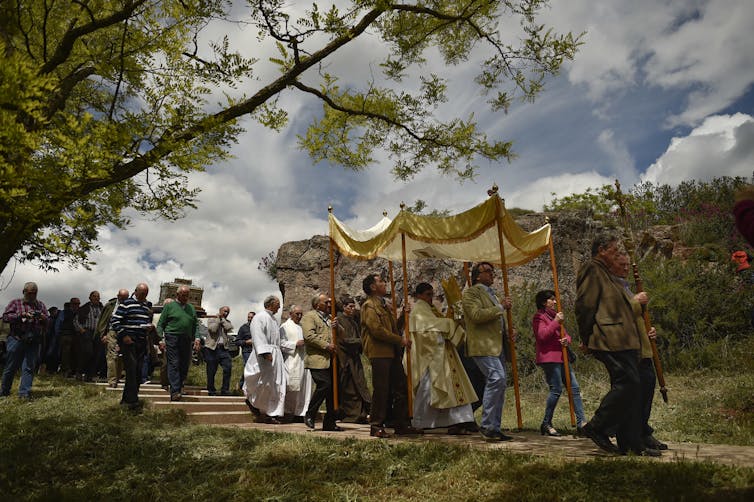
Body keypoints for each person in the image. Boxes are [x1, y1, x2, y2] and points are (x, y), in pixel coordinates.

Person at [575, 235, 659, 457]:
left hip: (622, 340)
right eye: (614, 250)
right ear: (602, 250)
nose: (616, 255)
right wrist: (585, 337)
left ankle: (631, 443)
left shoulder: (607, 273)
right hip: (608, 338)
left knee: (633, 388)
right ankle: (597, 426)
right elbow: (585, 305)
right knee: (628, 383)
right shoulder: (591, 269)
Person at [612, 253, 668, 451]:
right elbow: (614, 314)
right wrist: (636, 301)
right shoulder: (612, 287)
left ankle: (643, 433)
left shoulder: (626, 286)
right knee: (632, 399)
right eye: (622, 264)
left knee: (645, 394)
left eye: (628, 264)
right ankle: (631, 439)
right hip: (628, 351)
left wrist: (648, 331)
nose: (626, 268)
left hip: (643, 349)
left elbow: (635, 319)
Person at [409, 283, 477, 433]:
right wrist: (449, 325)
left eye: (431, 294)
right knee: (428, 389)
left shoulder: (431, 309)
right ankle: (422, 421)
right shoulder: (418, 311)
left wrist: (452, 317)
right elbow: (428, 331)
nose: (430, 298)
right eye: (427, 294)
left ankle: (457, 421)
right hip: (429, 356)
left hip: (442, 354)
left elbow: (438, 324)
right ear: (419, 295)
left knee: (453, 388)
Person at [361, 273, 421, 438]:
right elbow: (377, 330)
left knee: (400, 387)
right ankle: (376, 425)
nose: (384, 283)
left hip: (391, 352)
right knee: (381, 389)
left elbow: (393, 327)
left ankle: (401, 423)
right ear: (373, 287)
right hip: (379, 353)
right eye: (380, 281)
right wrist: (399, 340)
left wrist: (403, 316)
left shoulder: (384, 306)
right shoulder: (369, 306)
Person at [461, 262, 514, 442]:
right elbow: (476, 316)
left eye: (492, 271)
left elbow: (495, 321)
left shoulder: (492, 295)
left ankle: (494, 427)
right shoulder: (471, 293)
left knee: (500, 383)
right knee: (496, 378)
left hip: (496, 345)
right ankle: (487, 425)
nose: (492, 274)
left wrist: (506, 333)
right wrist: (500, 308)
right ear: (477, 276)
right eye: (488, 271)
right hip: (482, 345)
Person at [532, 289, 587, 436]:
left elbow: (567, 335)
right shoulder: (539, 317)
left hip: (563, 357)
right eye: (552, 299)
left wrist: (566, 340)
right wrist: (556, 322)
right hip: (549, 358)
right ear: (544, 302)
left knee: (574, 389)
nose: (555, 302)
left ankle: (582, 423)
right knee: (556, 390)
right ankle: (546, 423)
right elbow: (542, 336)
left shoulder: (556, 317)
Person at [302, 293, 343, 431]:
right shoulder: (310, 317)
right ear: (317, 304)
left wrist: (337, 328)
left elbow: (342, 335)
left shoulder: (330, 318)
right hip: (317, 359)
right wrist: (326, 345)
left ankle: (330, 423)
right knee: (325, 385)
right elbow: (309, 336)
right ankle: (310, 413)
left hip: (332, 360)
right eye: (326, 302)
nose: (329, 305)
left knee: (333, 391)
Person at [1, 282, 48, 399]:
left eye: (35, 293)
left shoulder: (40, 305)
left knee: (29, 367)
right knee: (10, 366)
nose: (33, 295)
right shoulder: (15, 303)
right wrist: (21, 315)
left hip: (34, 340)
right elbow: (6, 317)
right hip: (17, 338)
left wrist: (42, 317)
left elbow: (48, 319)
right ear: (24, 292)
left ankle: (24, 393)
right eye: (30, 293)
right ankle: (4, 391)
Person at [111, 283, 154, 410]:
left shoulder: (146, 306)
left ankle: (128, 398)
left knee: (138, 371)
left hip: (141, 341)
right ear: (135, 292)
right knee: (131, 369)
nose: (143, 296)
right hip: (128, 340)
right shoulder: (126, 303)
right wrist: (124, 335)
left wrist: (149, 327)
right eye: (141, 294)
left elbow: (146, 321)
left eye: (145, 294)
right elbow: (115, 320)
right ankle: (131, 400)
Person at [244, 295, 286, 423]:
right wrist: (264, 352)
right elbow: (258, 335)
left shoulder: (273, 319)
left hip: (276, 354)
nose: (279, 306)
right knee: (264, 383)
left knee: (277, 384)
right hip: (265, 355)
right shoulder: (260, 317)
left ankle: (272, 412)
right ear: (271, 304)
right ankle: (254, 402)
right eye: (277, 303)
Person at [156, 286, 198, 401]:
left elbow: (195, 325)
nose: (186, 297)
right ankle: (175, 391)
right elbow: (161, 324)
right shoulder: (169, 306)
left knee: (184, 364)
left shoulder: (191, 308)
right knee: (174, 363)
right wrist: (160, 339)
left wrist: (197, 338)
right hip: (172, 337)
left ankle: (179, 387)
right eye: (183, 295)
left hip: (186, 339)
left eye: (187, 295)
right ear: (177, 295)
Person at [335, 296, 370, 423]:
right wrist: (362, 341)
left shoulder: (353, 321)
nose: (353, 309)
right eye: (350, 306)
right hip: (345, 359)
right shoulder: (339, 320)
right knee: (349, 388)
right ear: (344, 307)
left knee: (360, 386)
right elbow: (344, 340)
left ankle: (361, 414)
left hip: (354, 358)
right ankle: (351, 415)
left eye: (354, 306)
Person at [279, 305, 312, 421]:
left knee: (303, 388)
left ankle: (300, 412)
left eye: (301, 314)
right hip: (291, 360)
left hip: (303, 360)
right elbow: (280, 343)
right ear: (290, 314)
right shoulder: (284, 327)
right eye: (297, 314)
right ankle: (288, 411)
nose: (299, 316)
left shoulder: (302, 327)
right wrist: (294, 344)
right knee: (291, 386)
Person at [94, 289, 129, 388]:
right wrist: (103, 334)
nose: (123, 300)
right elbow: (103, 320)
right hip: (111, 331)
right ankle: (112, 380)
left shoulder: (129, 305)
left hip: (124, 332)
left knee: (121, 356)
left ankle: (117, 378)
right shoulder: (110, 305)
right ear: (118, 296)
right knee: (112, 355)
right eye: (122, 298)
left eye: (125, 298)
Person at [204, 306, 234, 396]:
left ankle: (225, 390)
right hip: (211, 348)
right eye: (225, 311)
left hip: (223, 349)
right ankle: (211, 389)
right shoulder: (212, 319)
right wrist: (218, 319)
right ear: (220, 311)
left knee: (228, 367)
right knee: (211, 370)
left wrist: (222, 319)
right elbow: (213, 329)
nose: (226, 313)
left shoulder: (226, 321)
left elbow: (229, 328)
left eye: (228, 312)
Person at [76, 291, 104, 381]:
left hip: (98, 333)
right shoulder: (84, 308)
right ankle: (79, 371)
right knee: (88, 352)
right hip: (87, 331)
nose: (96, 298)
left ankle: (90, 375)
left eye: (98, 296)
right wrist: (81, 330)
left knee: (96, 354)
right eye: (94, 296)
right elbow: (75, 321)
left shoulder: (102, 308)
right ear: (90, 298)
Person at [58, 298, 81, 378]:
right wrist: (59, 334)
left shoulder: (80, 313)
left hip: (76, 335)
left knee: (75, 354)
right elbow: (59, 323)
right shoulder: (64, 312)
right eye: (75, 304)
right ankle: (65, 370)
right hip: (66, 334)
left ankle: (72, 371)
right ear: (71, 304)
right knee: (65, 354)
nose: (77, 305)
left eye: (78, 304)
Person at [235, 311, 255, 390]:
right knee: (248, 366)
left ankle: (249, 387)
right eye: (248, 317)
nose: (249, 319)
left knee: (255, 369)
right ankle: (241, 385)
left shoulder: (259, 327)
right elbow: (237, 341)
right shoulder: (243, 328)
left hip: (256, 351)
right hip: (247, 351)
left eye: (251, 317)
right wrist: (246, 342)